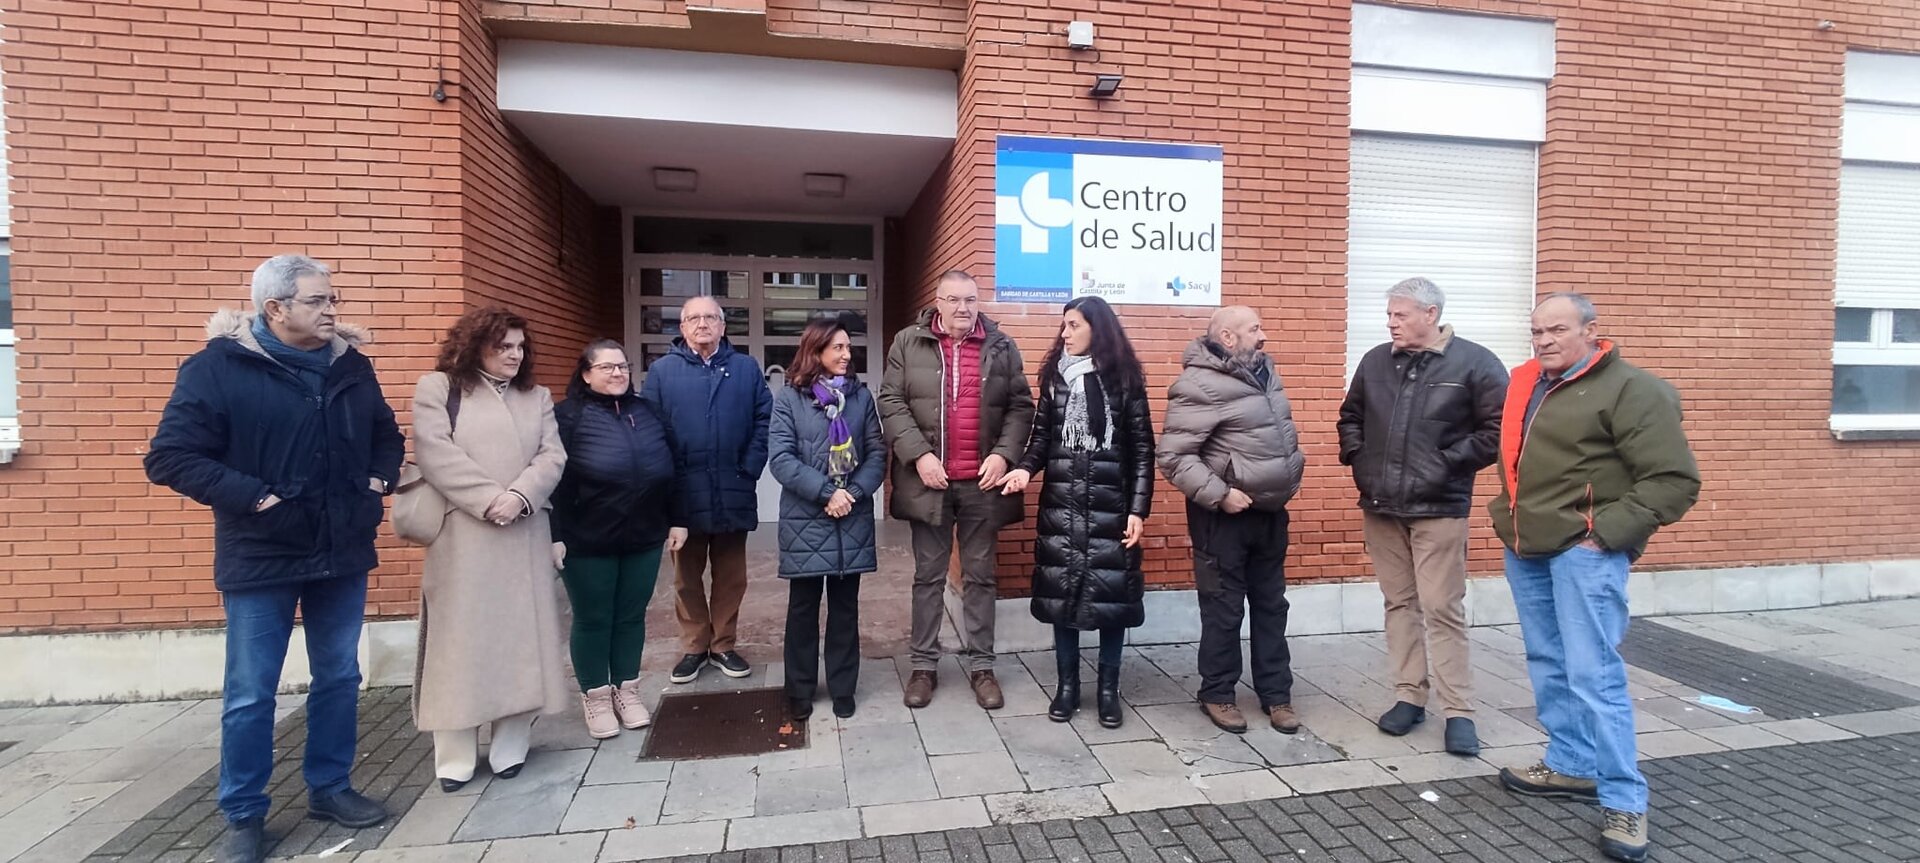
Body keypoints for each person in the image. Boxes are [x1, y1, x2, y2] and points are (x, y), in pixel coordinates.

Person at [146, 254, 405, 863]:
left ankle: (331, 787)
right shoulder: (216, 369)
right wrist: (256, 498)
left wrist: (376, 481)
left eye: (332, 298)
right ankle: (243, 813)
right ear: (275, 308)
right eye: (318, 301)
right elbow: (171, 458)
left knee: (340, 676)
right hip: (261, 552)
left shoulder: (351, 367)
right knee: (251, 691)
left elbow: (386, 436)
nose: (332, 310)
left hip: (341, 547)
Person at [1490, 292, 1699, 863]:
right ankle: (1570, 763)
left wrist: (1604, 533)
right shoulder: (1525, 380)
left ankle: (1625, 800)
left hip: (1584, 551)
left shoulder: (1634, 389)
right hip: (1526, 544)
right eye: (1536, 331)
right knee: (1548, 661)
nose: (1544, 340)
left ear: (1591, 330)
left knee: (1595, 674)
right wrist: (1504, 513)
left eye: (1557, 330)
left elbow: (1673, 481)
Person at [1336, 277, 1508, 756]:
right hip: (1382, 506)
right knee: (1399, 604)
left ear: (1430, 314)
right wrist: (1360, 460)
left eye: (1400, 314)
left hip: (1440, 507)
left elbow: (1498, 430)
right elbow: (1349, 417)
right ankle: (1409, 696)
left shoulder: (1475, 362)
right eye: (1389, 315)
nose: (1390, 323)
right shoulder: (1375, 361)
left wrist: (1446, 463)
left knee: (1442, 609)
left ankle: (1459, 711)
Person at [410, 307, 571, 793]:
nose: (514, 356)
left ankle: (511, 743)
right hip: (464, 534)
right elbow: (434, 451)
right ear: (476, 344)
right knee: (458, 642)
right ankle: (455, 752)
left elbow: (552, 454)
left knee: (522, 637)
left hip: (522, 532)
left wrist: (519, 496)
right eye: (504, 347)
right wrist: (487, 499)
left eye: (521, 348)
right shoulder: (439, 388)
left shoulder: (536, 395)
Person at [879, 270, 1034, 710]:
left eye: (970, 300)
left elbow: (1022, 407)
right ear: (938, 301)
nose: (963, 308)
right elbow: (890, 400)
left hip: (982, 485)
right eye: (954, 300)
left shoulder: (1001, 346)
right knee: (928, 578)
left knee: (981, 578)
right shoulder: (908, 342)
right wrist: (919, 456)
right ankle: (924, 667)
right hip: (929, 482)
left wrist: (1004, 455)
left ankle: (982, 666)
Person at [999, 296, 1154, 729]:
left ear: (1097, 329)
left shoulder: (1125, 380)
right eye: (1063, 325)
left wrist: (1138, 509)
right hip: (1062, 507)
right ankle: (1066, 687)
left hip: (1112, 508)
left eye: (1073, 325)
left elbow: (1143, 451)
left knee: (1111, 603)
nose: (1064, 333)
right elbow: (1043, 437)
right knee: (1062, 598)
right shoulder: (1056, 378)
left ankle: (1108, 691)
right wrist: (1025, 471)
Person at [1156, 305, 1306, 735]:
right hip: (1223, 518)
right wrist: (1221, 495)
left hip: (1271, 513)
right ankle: (1217, 693)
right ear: (1227, 337)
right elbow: (1173, 455)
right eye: (1255, 329)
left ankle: (1276, 695)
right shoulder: (1198, 384)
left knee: (1272, 606)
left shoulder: (1264, 372)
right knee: (1223, 609)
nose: (1264, 335)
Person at [552, 339, 688, 739]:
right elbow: (553, 482)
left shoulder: (647, 412)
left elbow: (675, 466)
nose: (617, 374)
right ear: (586, 373)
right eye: (607, 367)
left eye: (623, 367)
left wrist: (678, 520)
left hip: (643, 536)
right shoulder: (567, 417)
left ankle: (626, 690)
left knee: (631, 616)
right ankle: (595, 695)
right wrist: (555, 534)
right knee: (594, 619)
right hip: (586, 540)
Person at [641, 295, 772, 684]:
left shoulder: (745, 369)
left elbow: (764, 419)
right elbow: (651, 430)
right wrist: (665, 481)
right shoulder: (662, 372)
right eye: (694, 318)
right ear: (681, 327)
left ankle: (723, 644)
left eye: (710, 318)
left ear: (723, 325)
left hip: (733, 486)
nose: (703, 324)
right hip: (683, 493)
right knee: (686, 577)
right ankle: (695, 645)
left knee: (732, 575)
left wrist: (749, 468)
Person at [768, 318, 887, 720]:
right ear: (815, 350)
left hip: (849, 517)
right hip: (806, 517)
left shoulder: (860, 398)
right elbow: (781, 460)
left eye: (848, 348)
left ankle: (842, 687)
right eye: (837, 347)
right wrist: (826, 493)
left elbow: (876, 455)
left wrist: (851, 494)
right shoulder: (790, 399)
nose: (846, 355)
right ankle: (799, 689)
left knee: (844, 608)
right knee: (802, 609)